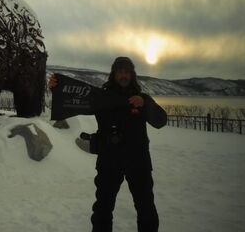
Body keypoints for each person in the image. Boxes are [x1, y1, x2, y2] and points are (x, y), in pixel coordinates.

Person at [48, 56, 167, 232]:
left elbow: (161, 120)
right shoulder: (101, 97)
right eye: (120, 72)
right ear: (114, 74)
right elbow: (74, 98)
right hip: (109, 160)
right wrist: (57, 88)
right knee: (102, 208)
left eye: (127, 72)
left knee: (146, 208)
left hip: (138, 161)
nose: (123, 75)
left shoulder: (141, 98)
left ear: (132, 75)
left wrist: (145, 104)